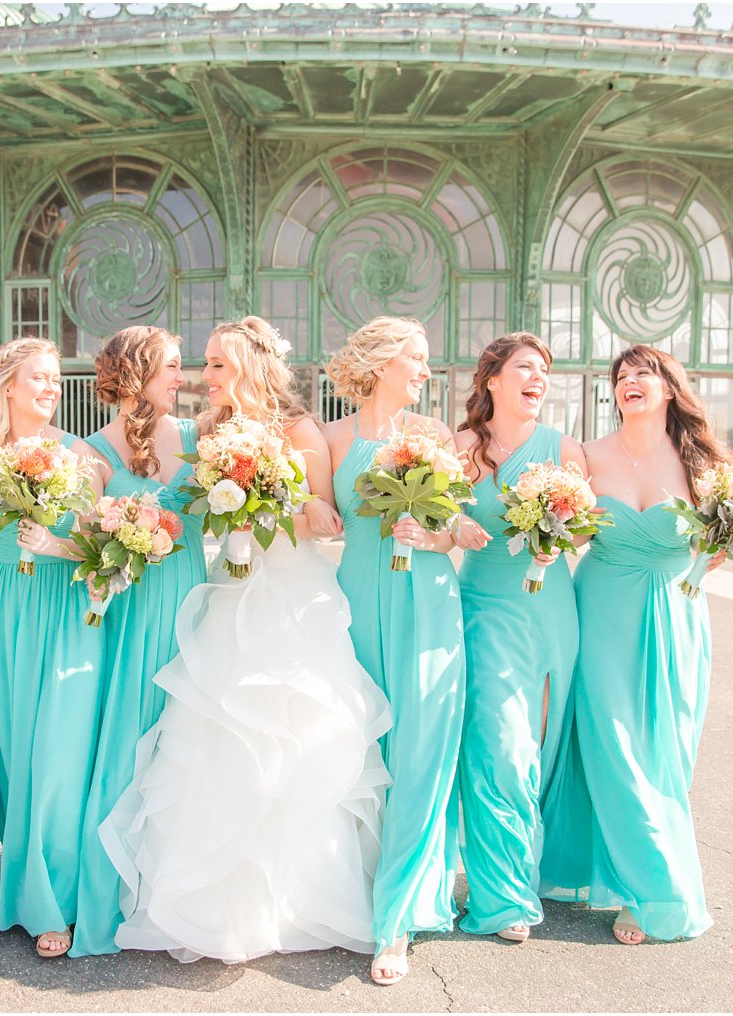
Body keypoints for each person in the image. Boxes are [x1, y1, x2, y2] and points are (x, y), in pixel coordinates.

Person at [102, 315, 392, 965]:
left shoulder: (299, 431)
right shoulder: (204, 433)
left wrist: (273, 500)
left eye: (217, 365)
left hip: (294, 597)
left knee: (298, 741)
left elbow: (324, 520)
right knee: (219, 737)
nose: (206, 377)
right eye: (203, 364)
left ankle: (301, 899)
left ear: (253, 367)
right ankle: (214, 903)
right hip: (230, 596)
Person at [539, 343, 728, 945]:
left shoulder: (702, 464)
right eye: (621, 376)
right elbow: (556, 522)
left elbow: (719, 545)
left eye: (643, 372)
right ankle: (648, 891)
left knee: (662, 755)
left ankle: (632, 877)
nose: (629, 382)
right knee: (612, 747)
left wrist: (726, 547)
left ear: (668, 387)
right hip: (601, 614)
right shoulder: (587, 457)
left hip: (675, 620)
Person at [324, 316, 466, 985]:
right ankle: (354, 889)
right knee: (360, 751)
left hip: (428, 603)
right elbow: (315, 523)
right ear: (384, 362)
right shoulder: (330, 439)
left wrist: (432, 532)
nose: (426, 372)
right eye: (418, 358)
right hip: (353, 602)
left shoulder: (435, 438)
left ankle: (398, 917)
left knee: (421, 750)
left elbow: (454, 531)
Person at [69, 326, 208, 957]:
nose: (184, 377)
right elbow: (81, 543)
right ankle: (113, 888)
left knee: (191, 743)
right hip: (132, 608)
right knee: (132, 736)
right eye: (173, 366)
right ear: (137, 370)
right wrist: (120, 533)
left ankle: (180, 887)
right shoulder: (90, 452)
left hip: (195, 601)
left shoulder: (203, 439)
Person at [0, 337, 107, 958]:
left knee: (58, 753)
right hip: (0, 608)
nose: (50, 388)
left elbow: (103, 546)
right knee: (17, 749)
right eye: (38, 379)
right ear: (8, 386)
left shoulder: (79, 454)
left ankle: (54, 901)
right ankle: (21, 891)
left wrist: (52, 547)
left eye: (55, 379)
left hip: (66, 607)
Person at [450, 332, 586, 943]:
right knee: (498, 745)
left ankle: (522, 869)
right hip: (485, 606)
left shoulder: (565, 450)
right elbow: (439, 515)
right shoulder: (463, 448)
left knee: (542, 745)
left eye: (545, 371)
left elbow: (586, 531)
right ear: (493, 380)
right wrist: (454, 525)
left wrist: (560, 536)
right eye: (526, 368)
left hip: (551, 609)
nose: (539, 378)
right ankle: (502, 896)